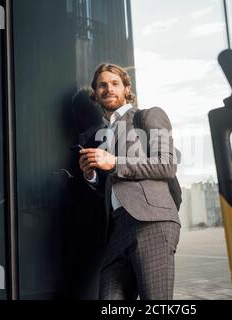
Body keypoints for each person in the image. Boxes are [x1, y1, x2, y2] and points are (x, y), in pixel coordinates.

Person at [78, 63, 181, 300]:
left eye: (115, 83)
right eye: (102, 85)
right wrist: (91, 176)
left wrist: (114, 162)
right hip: (116, 228)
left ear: (126, 88)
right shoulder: (97, 136)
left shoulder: (148, 116)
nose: (108, 89)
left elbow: (166, 164)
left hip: (151, 221)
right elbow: (112, 187)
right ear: (95, 93)